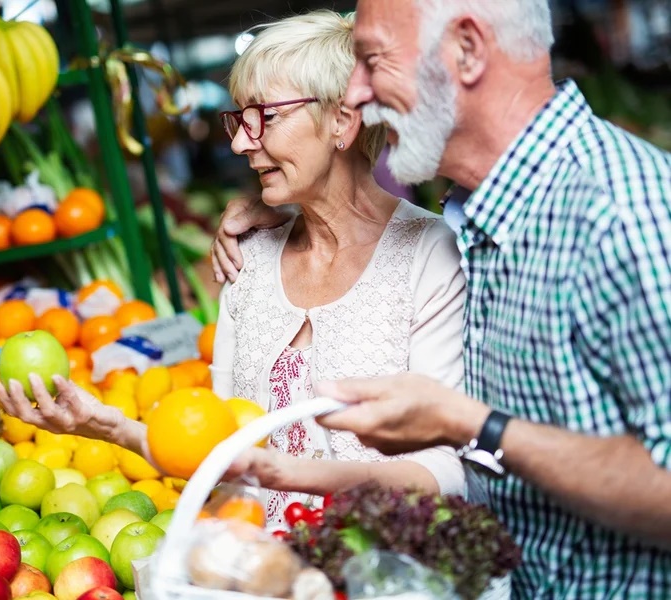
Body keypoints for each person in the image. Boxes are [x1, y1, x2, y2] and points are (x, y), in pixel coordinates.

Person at [211, 0, 671, 597]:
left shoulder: (620, 214)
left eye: (373, 59)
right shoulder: (482, 222)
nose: (354, 93)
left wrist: (474, 426)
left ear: (468, 50)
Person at [0, 9, 467, 530]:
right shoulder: (251, 260)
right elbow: (218, 450)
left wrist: (285, 472)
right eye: (239, 119)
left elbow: (446, 470)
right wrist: (108, 426)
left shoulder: (430, 255)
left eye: (267, 116)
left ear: (343, 120)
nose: (241, 142)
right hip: (261, 571)